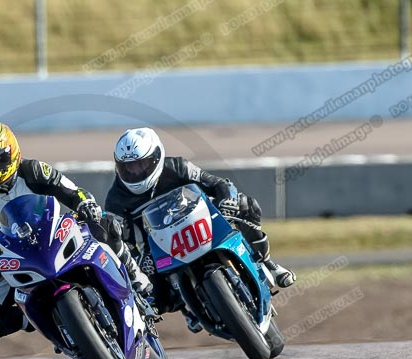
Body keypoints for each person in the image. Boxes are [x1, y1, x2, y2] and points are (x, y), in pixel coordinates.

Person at [0, 122, 152, 342]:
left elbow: (72, 192)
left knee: (105, 224)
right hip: (16, 258)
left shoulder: (32, 170)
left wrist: (84, 205)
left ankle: (135, 278)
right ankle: (39, 318)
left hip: (55, 236)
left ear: (10, 155)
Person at [104, 127, 296, 333]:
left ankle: (268, 263)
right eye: (129, 167)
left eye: (141, 164)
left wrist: (226, 199)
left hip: (197, 222)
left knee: (247, 205)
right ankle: (188, 308)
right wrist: (137, 259)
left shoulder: (178, 166)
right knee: (154, 298)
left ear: (156, 157)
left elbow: (218, 184)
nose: (135, 172)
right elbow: (120, 241)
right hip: (157, 246)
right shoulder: (115, 199)